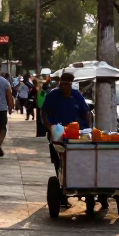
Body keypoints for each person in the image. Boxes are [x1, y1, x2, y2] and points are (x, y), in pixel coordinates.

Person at [40, 70, 91, 205]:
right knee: (60, 162)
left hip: (76, 136)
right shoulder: (53, 95)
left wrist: (88, 128)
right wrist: (49, 126)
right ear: (60, 84)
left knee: (79, 160)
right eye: (63, 85)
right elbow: (43, 112)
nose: (66, 88)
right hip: (58, 135)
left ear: (71, 85)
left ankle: (82, 184)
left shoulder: (76, 96)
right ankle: (62, 189)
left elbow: (86, 112)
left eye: (68, 85)